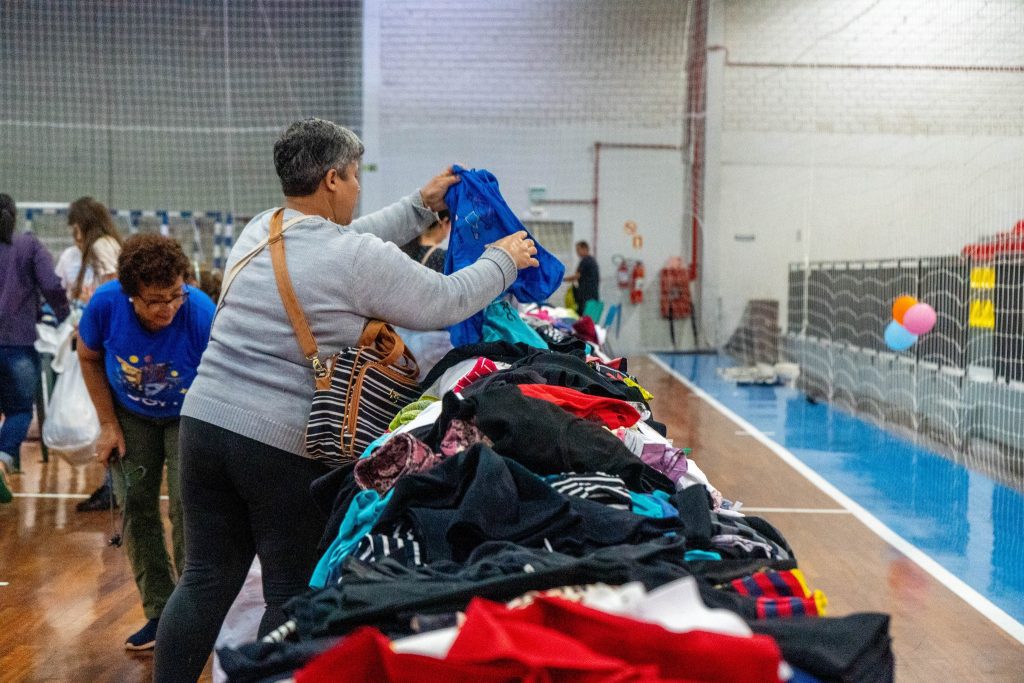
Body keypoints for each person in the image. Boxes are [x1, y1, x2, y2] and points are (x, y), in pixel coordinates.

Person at [153, 117, 539, 681]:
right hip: (278, 445)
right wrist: (504, 259)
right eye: (355, 176)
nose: (359, 188)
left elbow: (355, 240)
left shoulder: (263, 228)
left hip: (203, 425)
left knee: (205, 580)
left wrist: (419, 205)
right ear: (333, 178)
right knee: (288, 588)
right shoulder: (352, 258)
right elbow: (445, 300)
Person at [77, 233, 215, 650]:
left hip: (187, 415)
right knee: (135, 506)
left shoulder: (200, 312)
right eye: (156, 300)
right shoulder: (105, 305)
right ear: (130, 295)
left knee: (188, 507)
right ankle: (160, 613)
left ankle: (192, 617)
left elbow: (223, 375)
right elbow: (88, 356)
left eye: (175, 295)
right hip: (131, 416)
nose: (169, 308)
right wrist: (107, 424)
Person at [0, 193, 70, 501]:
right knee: (18, 410)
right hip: (17, 342)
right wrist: (66, 316)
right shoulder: (28, 246)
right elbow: (52, 285)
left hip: (16, 341)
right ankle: (2, 461)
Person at [59, 197, 125, 512]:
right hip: (105, 339)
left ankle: (115, 488)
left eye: (75, 228)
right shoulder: (102, 247)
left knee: (111, 417)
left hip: (109, 342)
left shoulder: (103, 248)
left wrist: (90, 326)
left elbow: (112, 294)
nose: (75, 236)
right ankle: (113, 486)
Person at [564, 240, 600, 315]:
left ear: (585, 248)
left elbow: (576, 276)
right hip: (592, 295)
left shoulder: (585, 260)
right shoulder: (592, 261)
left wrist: (562, 279)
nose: (577, 252)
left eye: (578, 250)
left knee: (583, 318)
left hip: (586, 296)